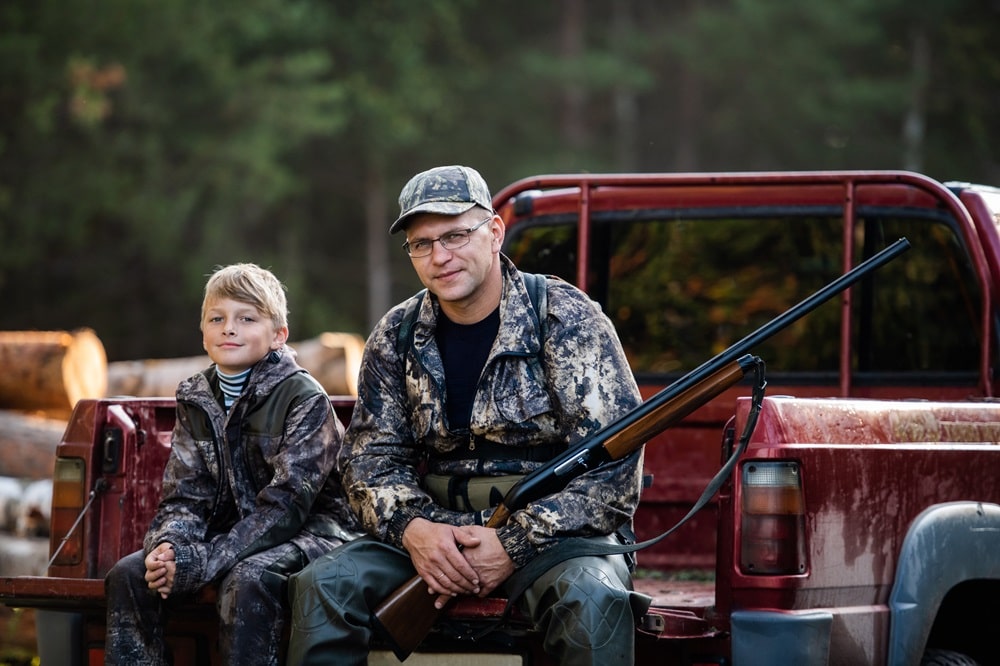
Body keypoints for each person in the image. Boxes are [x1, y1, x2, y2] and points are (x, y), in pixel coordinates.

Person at [287, 165, 649, 665]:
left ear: (495, 232)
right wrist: (418, 532)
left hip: (556, 536)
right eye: (422, 243)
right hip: (433, 529)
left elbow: (614, 469)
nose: (440, 256)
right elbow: (370, 463)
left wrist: (512, 543)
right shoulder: (396, 334)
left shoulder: (566, 317)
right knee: (323, 586)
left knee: (593, 601)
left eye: (456, 235)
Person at [104, 263, 361, 666]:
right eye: (217, 318)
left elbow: (285, 508)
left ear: (279, 336)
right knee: (131, 574)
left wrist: (200, 562)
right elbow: (185, 496)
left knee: (247, 580)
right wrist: (170, 548)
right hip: (234, 534)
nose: (229, 328)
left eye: (247, 318)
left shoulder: (304, 399)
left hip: (315, 534)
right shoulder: (197, 397)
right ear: (203, 331)